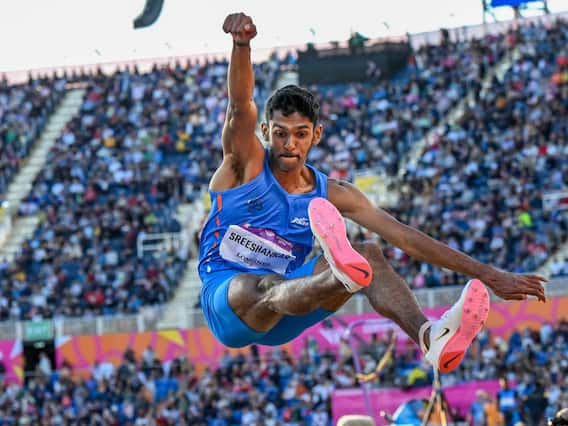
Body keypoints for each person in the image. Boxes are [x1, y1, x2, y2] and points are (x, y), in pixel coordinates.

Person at [198, 12, 547, 374]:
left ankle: (429, 337)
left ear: (316, 135)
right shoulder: (244, 165)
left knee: (369, 255)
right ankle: (342, 274)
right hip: (229, 301)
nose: (289, 144)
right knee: (264, 285)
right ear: (265, 131)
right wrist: (242, 45)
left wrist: (490, 275)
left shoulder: (332, 193)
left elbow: (406, 238)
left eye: (300, 134)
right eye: (280, 133)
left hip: (295, 301)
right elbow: (240, 107)